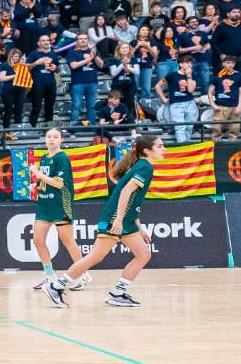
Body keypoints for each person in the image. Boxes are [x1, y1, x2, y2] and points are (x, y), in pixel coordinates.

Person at [44, 135, 164, 309]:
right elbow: (125, 194)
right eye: (160, 146)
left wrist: (139, 226)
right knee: (95, 256)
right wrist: (120, 220)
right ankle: (56, 286)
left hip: (126, 220)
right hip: (117, 218)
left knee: (143, 254)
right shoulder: (145, 167)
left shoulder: (141, 165)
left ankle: (117, 293)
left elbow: (132, 199)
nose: (164, 149)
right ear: (147, 150)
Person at [30, 128, 88, 298]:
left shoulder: (62, 157)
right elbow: (45, 180)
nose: (51, 139)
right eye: (49, 137)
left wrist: (37, 173)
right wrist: (36, 184)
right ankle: (49, 275)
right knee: (38, 240)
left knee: (68, 241)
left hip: (61, 202)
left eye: (55, 137)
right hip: (45, 202)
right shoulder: (44, 157)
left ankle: (83, 275)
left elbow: (58, 183)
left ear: (61, 140)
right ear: (45, 139)